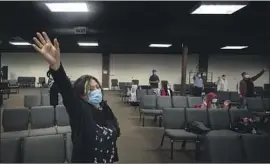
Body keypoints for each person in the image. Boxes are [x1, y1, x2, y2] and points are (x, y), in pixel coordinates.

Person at [32, 32, 120, 163]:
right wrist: (57, 68)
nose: (96, 91)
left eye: (97, 87)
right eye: (90, 89)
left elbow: (116, 130)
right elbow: (67, 91)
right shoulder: (80, 110)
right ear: (80, 94)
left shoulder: (104, 107)